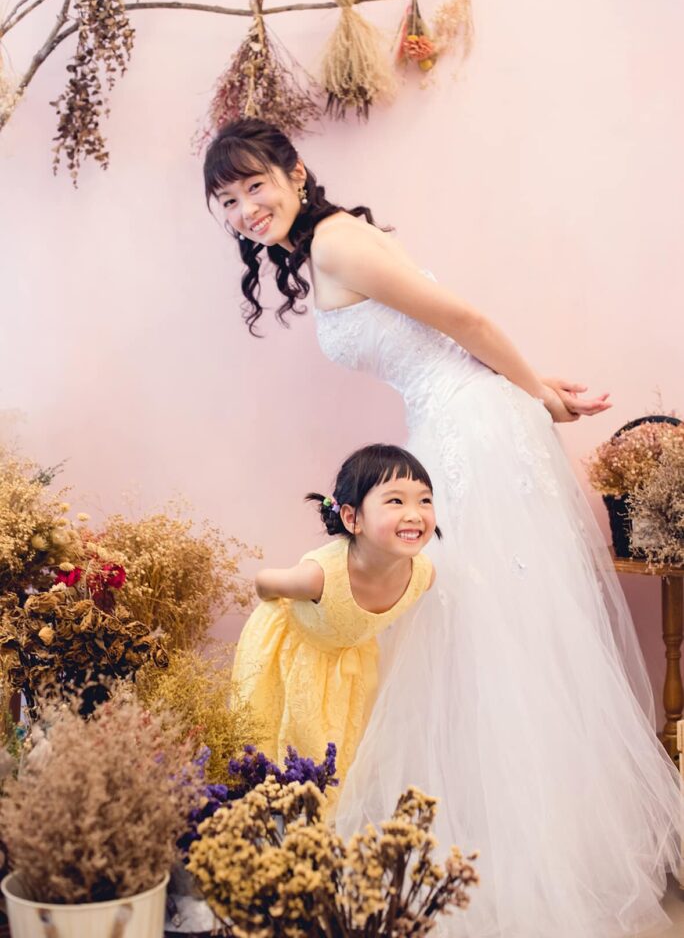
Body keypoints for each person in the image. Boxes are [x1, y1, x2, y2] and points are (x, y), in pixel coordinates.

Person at [205, 119, 682, 937]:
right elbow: (447, 340)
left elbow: (465, 319)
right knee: (474, 630)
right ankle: (490, 848)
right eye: (227, 199)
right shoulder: (324, 248)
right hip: (455, 420)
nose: (246, 208)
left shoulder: (336, 242)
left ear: (296, 172)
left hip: (470, 432)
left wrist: (537, 394)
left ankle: (511, 863)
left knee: (476, 629)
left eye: (257, 185)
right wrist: (533, 386)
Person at [232, 443, 436, 789]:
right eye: (396, 501)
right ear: (352, 518)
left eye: (425, 500)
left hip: (351, 659)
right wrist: (272, 614)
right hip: (295, 652)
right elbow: (264, 583)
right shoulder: (319, 576)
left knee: (344, 752)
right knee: (289, 746)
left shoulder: (422, 576)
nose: (415, 514)